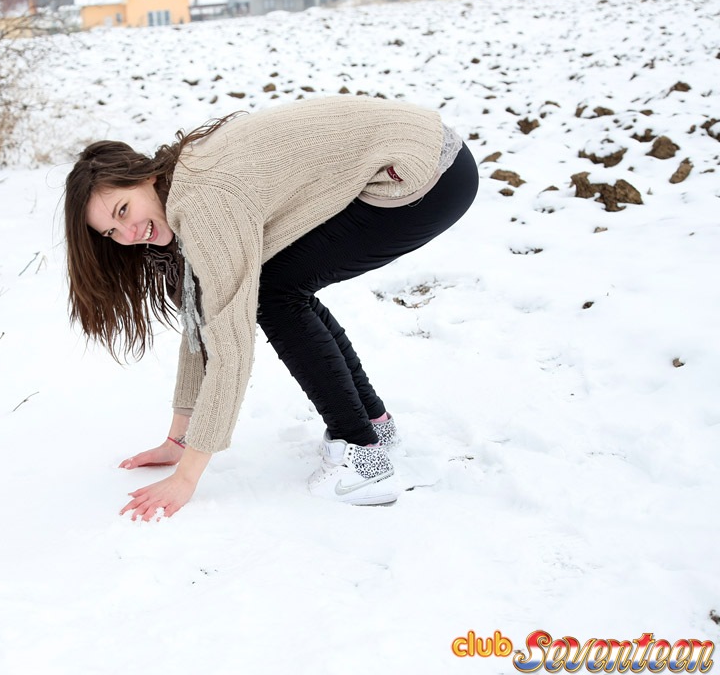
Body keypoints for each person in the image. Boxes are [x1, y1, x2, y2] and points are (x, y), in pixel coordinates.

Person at [64, 95, 478, 521]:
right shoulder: (181, 188)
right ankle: (373, 426)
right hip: (428, 156)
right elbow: (202, 319)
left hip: (423, 172)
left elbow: (230, 347)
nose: (128, 234)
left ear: (145, 177)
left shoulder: (203, 203)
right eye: (111, 232)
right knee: (279, 286)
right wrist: (178, 441)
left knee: (274, 294)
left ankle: (363, 458)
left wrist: (185, 477)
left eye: (123, 210)